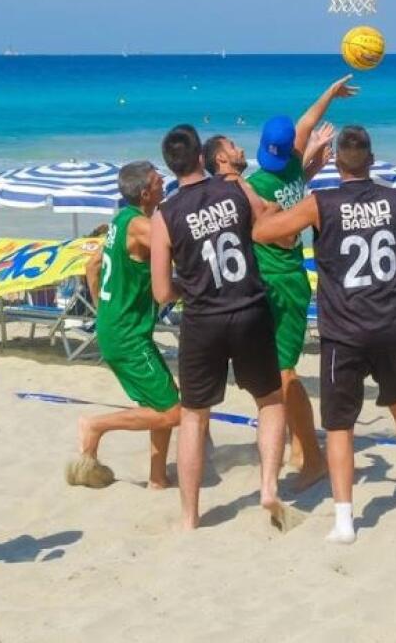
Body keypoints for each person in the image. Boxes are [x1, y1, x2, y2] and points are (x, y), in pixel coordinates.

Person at [253, 126, 396, 544]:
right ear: (372, 158)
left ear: (335, 162)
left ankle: (345, 520)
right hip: (392, 324)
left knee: (341, 425)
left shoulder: (320, 204)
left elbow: (261, 234)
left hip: (343, 330)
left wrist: (273, 208)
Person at [150, 124, 289, 531]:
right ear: (199, 157)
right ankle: (267, 487)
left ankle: (190, 516)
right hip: (248, 306)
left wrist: (187, 286)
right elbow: (268, 225)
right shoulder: (234, 189)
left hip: (203, 317)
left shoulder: (165, 214)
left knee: (194, 416)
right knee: (269, 401)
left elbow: (161, 292)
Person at [242, 76, 358, 489]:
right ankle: (297, 447)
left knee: (284, 375)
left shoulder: (257, 185)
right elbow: (309, 119)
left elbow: (282, 233)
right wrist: (330, 93)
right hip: (278, 282)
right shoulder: (293, 163)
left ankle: (313, 457)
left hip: (283, 281)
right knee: (275, 374)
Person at [71, 162, 181, 489]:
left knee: (160, 400)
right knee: (174, 411)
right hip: (127, 335)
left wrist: (105, 309)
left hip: (117, 326)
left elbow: (92, 266)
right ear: (146, 192)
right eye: (159, 180)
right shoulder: (139, 228)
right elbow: (175, 241)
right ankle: (96, 425)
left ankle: (158, 478)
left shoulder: (120, 219)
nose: (165, 182)